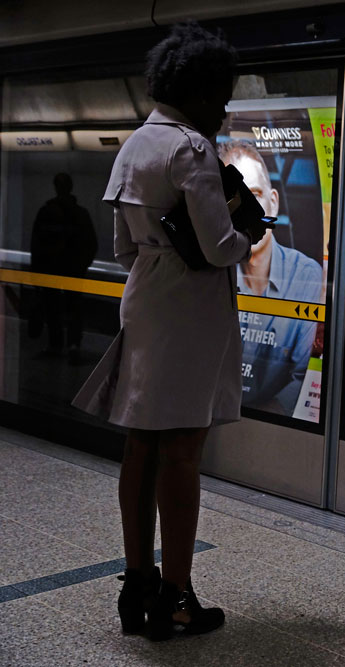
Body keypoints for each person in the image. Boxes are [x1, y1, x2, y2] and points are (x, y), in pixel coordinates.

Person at [71, 23, 269, 641]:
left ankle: (138, 586)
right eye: (223, 96)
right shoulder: (192, 149)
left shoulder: (133, 146)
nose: (225, 108)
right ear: (204, 92)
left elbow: (124, 246)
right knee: (183, 452)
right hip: (190, 309)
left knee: (141, 447)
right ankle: (178, 598)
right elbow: (216, 247)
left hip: (147, 299)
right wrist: (250, 238)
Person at [217, 140, 322, 415]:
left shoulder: (307, 275)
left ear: (272, 203)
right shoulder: (211, 273)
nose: (247, 212)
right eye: (234, 200)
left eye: (255, 194)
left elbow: (302, 377)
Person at [29, 173, 97, 361]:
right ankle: (73, 345)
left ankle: (55, 345)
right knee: (73, 308)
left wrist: (36, 273)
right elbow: (91, 243)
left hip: (50, 270)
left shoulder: (46, 212)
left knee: (52, 308)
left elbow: (37, 244)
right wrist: (81, 266)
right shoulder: (80, 214)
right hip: (73, 271)